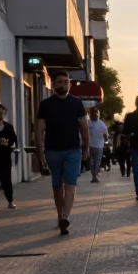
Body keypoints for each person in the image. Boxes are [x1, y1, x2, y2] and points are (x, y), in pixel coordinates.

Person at [35, 70, 89, 235]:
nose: (63, 85)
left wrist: (86, 147)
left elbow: (84, 127)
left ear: (70, 84)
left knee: (70, 184)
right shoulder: (45, 105)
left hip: (73, 150)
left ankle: (65, 216)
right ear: (53, 84)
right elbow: (38, 131)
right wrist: (41, 156)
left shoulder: (77, 103)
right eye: (60, 82)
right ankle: (60, 215)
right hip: (52, 151)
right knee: (57, 186)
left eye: (66, 82)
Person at [87, 106, 108, 183]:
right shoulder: (88, 123)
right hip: (90, 146)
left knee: (97, 162)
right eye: (92, 113)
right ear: (90, 114)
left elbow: (105, 134)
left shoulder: (101, 123)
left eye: (96, 113)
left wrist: (106, 141)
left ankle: (95, 176)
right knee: (91, 162)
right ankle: (93, 176)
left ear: (98, 115)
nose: (94, 115)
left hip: (99, 146)